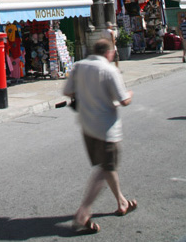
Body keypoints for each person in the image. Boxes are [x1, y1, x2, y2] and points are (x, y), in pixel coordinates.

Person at [64, 39, 137, 234]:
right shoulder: (109, 70)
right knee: (106, 167)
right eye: (113, 52)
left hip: (86, 127)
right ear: (108, 53)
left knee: (107, 167)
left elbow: (67, 91)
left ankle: (121, 202)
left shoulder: (78, 66)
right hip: (106, 128)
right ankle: (84, 211)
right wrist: (130, 93)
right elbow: (123, 100)